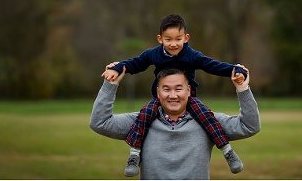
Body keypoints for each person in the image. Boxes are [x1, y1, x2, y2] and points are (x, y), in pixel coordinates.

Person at [100, 14, 248, 176]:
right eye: (168, 39)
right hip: (160, 98)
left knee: (207, 116)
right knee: (144, 115)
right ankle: (134, 155)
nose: (173, 44)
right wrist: (117, 68)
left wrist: (235, 70)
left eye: (178, 39)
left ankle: (228, 151)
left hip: (189, 99)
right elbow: (136, 63)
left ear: (186, 38)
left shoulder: (192, 55)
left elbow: (212, 65)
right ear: (160, 39)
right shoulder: (154, 54)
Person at [90, 66, 260, 179]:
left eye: (178, 89)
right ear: (158, 92)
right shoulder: (140, 122)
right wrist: (110, 84)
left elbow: (249, 126)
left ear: (188, 90)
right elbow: (100, 122)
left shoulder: (209, 121)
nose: (173, 95)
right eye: (166, 89)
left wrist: (242, 89)